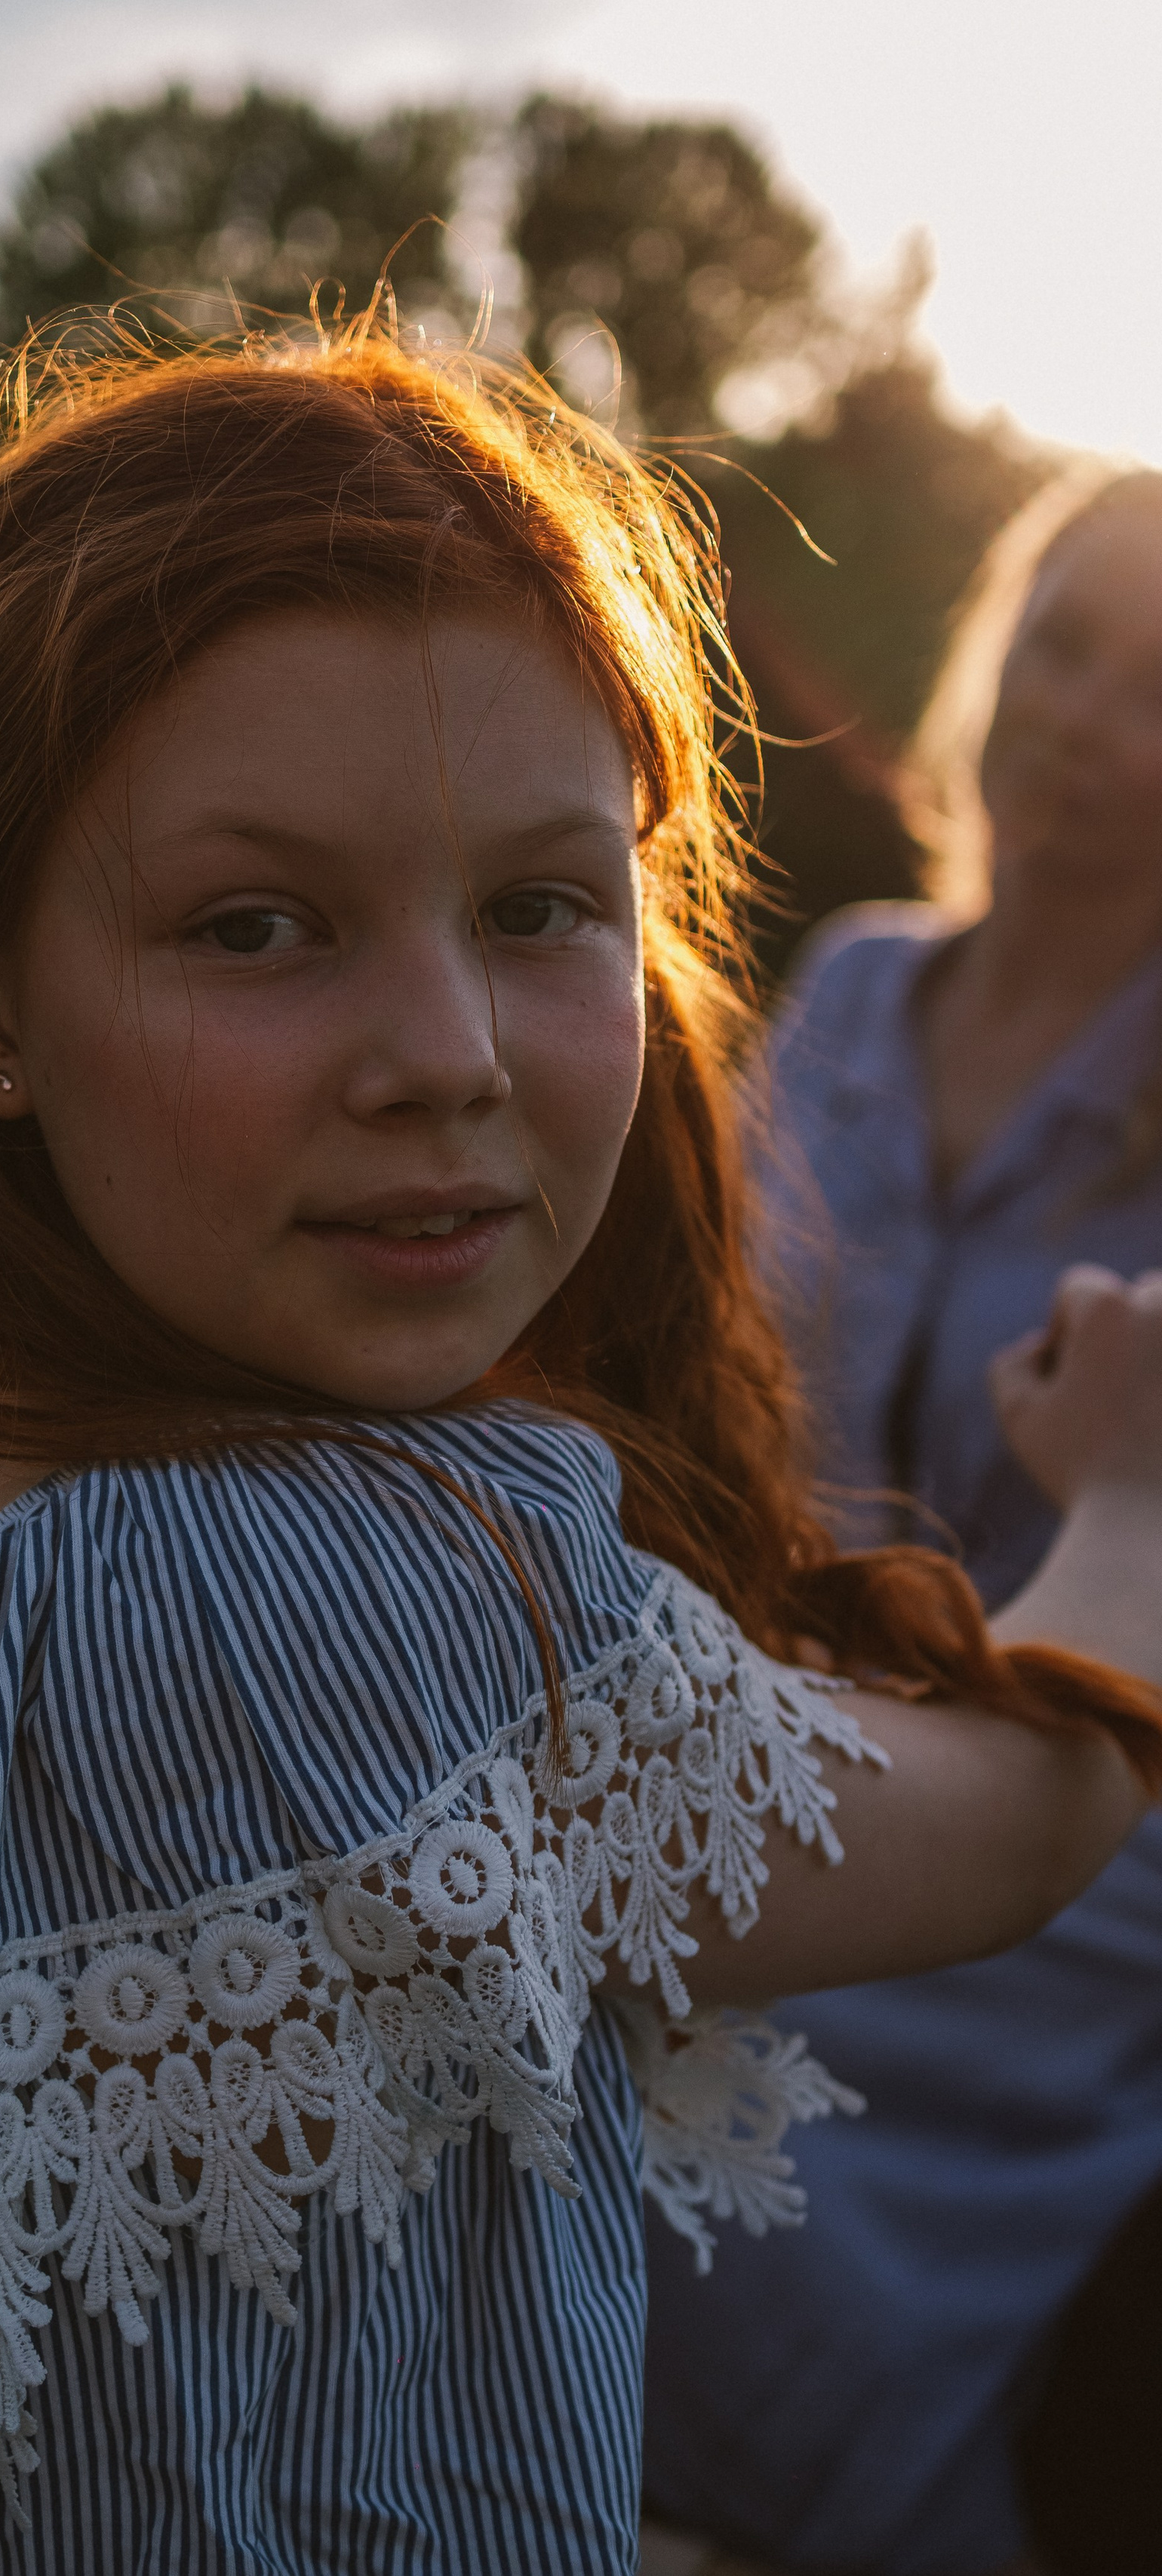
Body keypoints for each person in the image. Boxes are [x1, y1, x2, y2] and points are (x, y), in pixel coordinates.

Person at [0, 340, 1162, 2576]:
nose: (447, 1058)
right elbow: (1017, 1827)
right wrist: (1141, 1512)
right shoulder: (397, 1584)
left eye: (535, 910)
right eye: (255, 926)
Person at [641, 466, 1162, 2576]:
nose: (1088, 724)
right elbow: (688, 1378)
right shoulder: (850, 992)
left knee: (711, 2095)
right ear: (991, 660)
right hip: (790, 1714)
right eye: (1064, 651)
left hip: (1102, 1776)